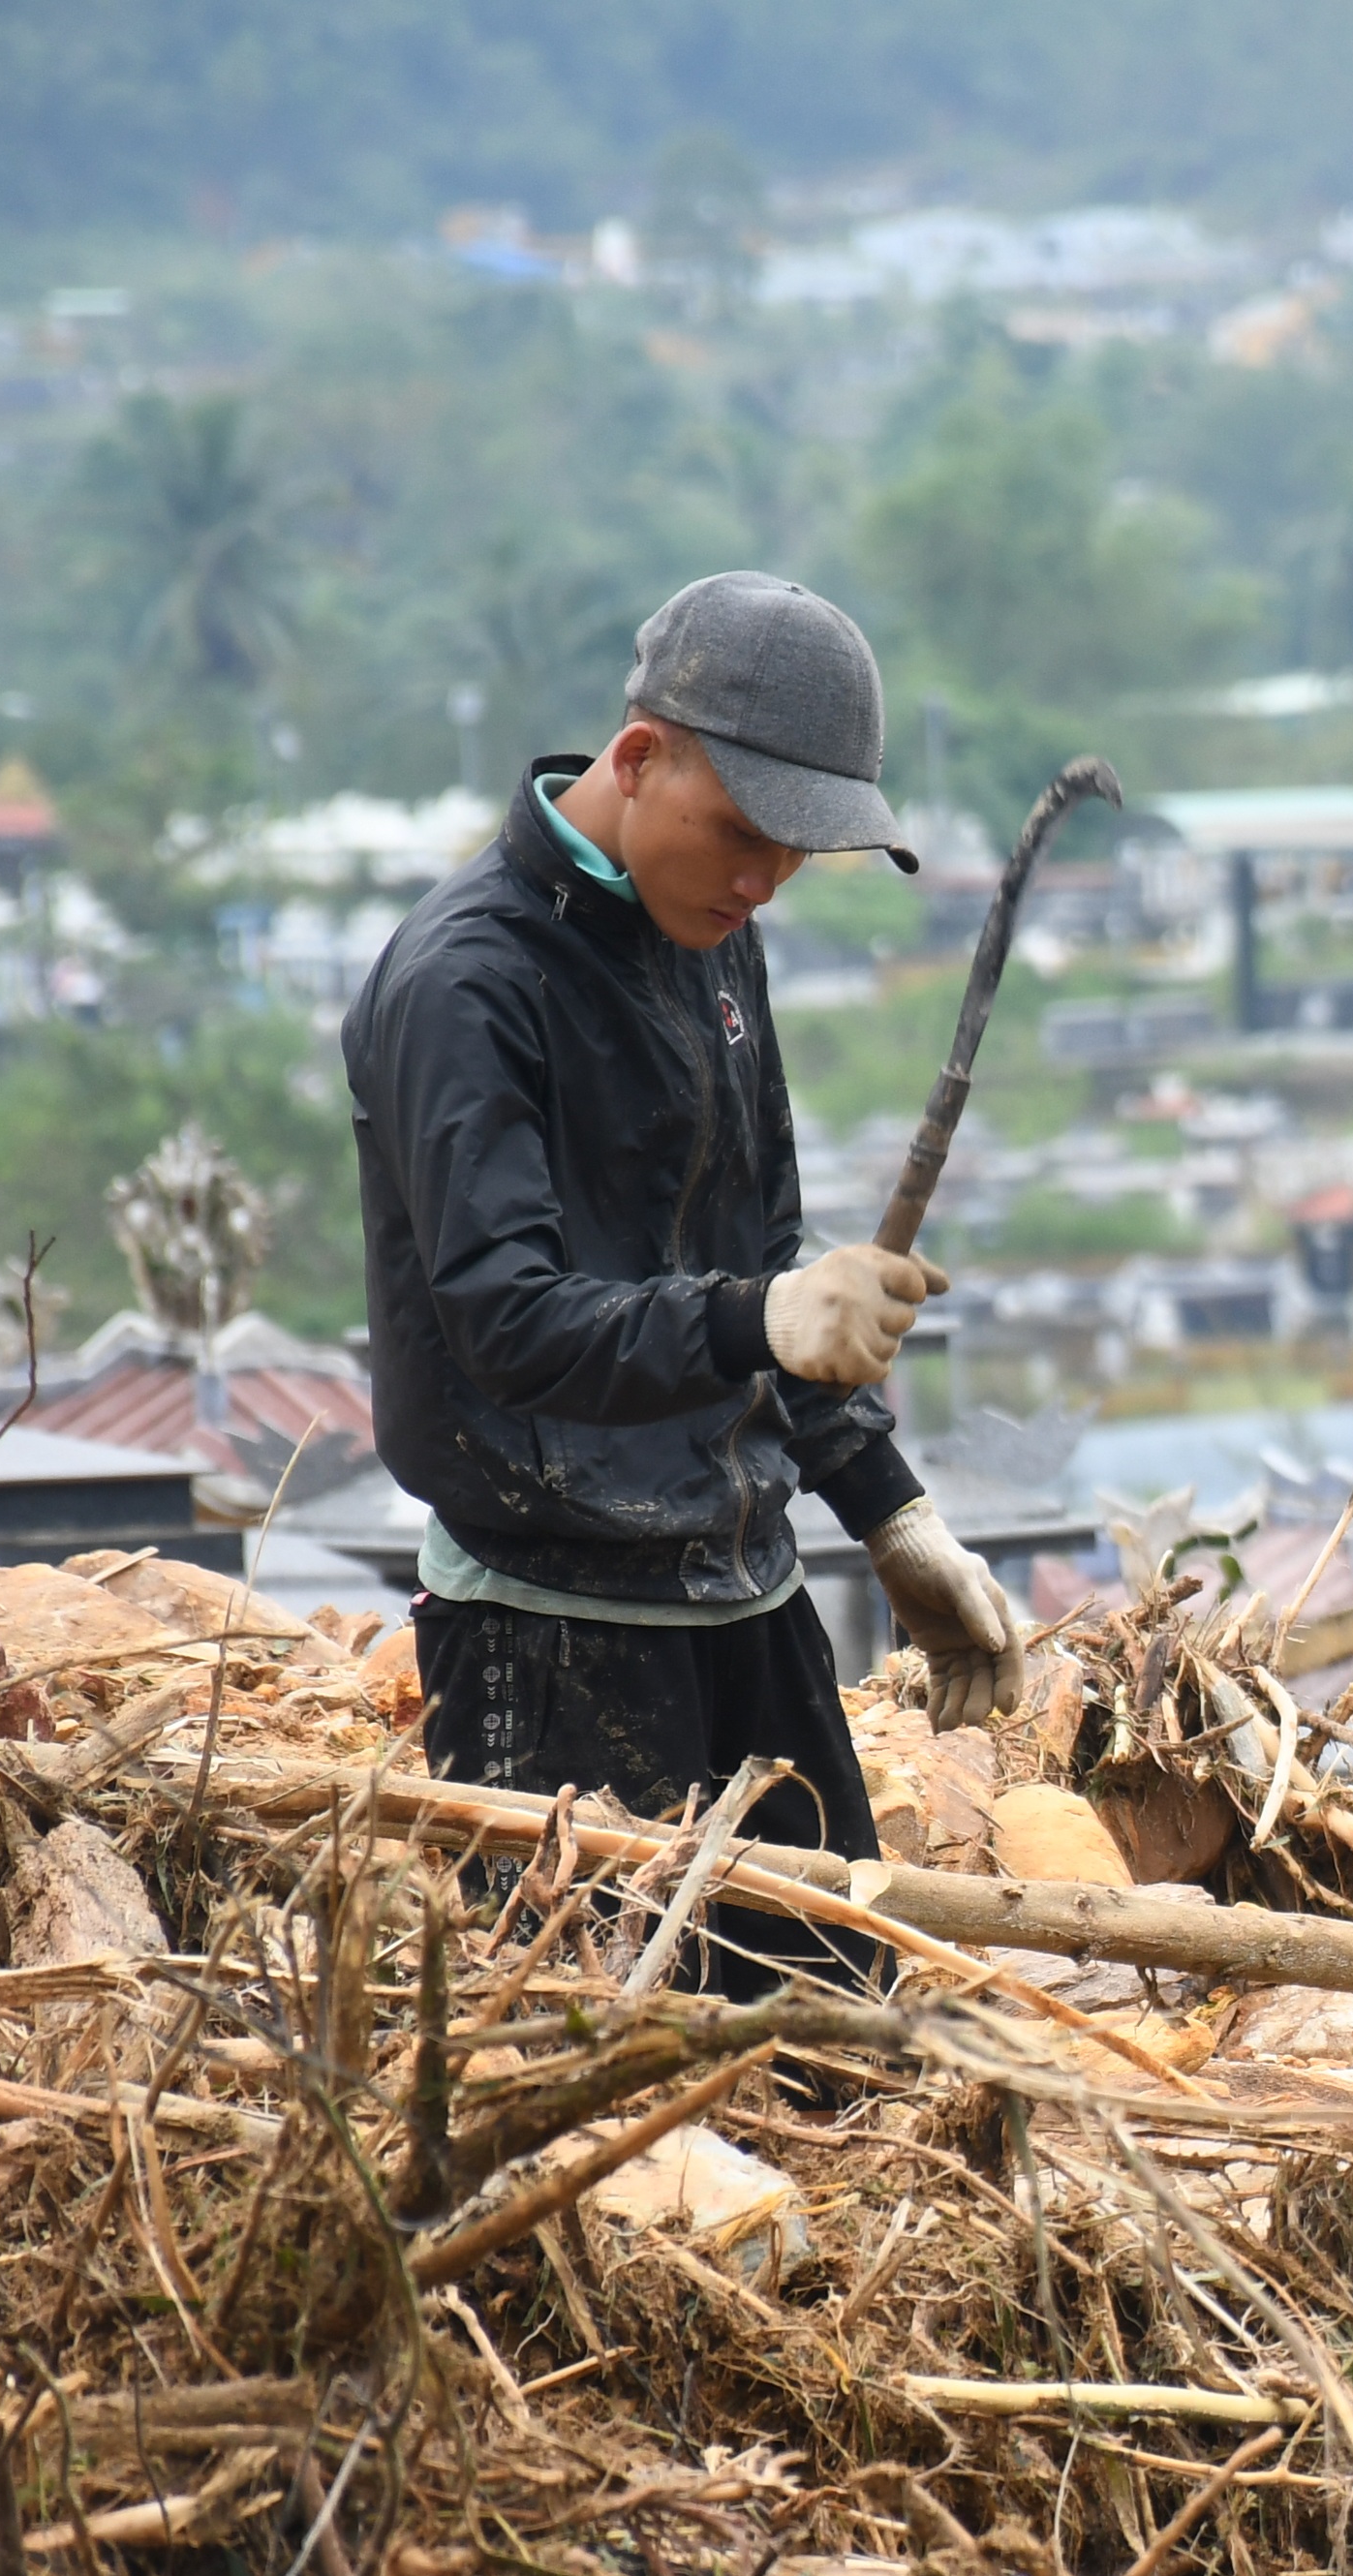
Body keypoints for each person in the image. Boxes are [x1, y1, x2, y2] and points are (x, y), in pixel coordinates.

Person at [345, 570, 1021, 1989]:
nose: (765, 878)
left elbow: (763, 1270)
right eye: (746, 833)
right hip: (549, 1624)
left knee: (844, 2046)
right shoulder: (465, 985)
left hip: (746, 1602)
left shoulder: (710, 945)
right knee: (612, 2087)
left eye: (796, 854)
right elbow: (507, 1322)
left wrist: (892, 1520)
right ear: (640, 757)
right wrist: (765, 1315)